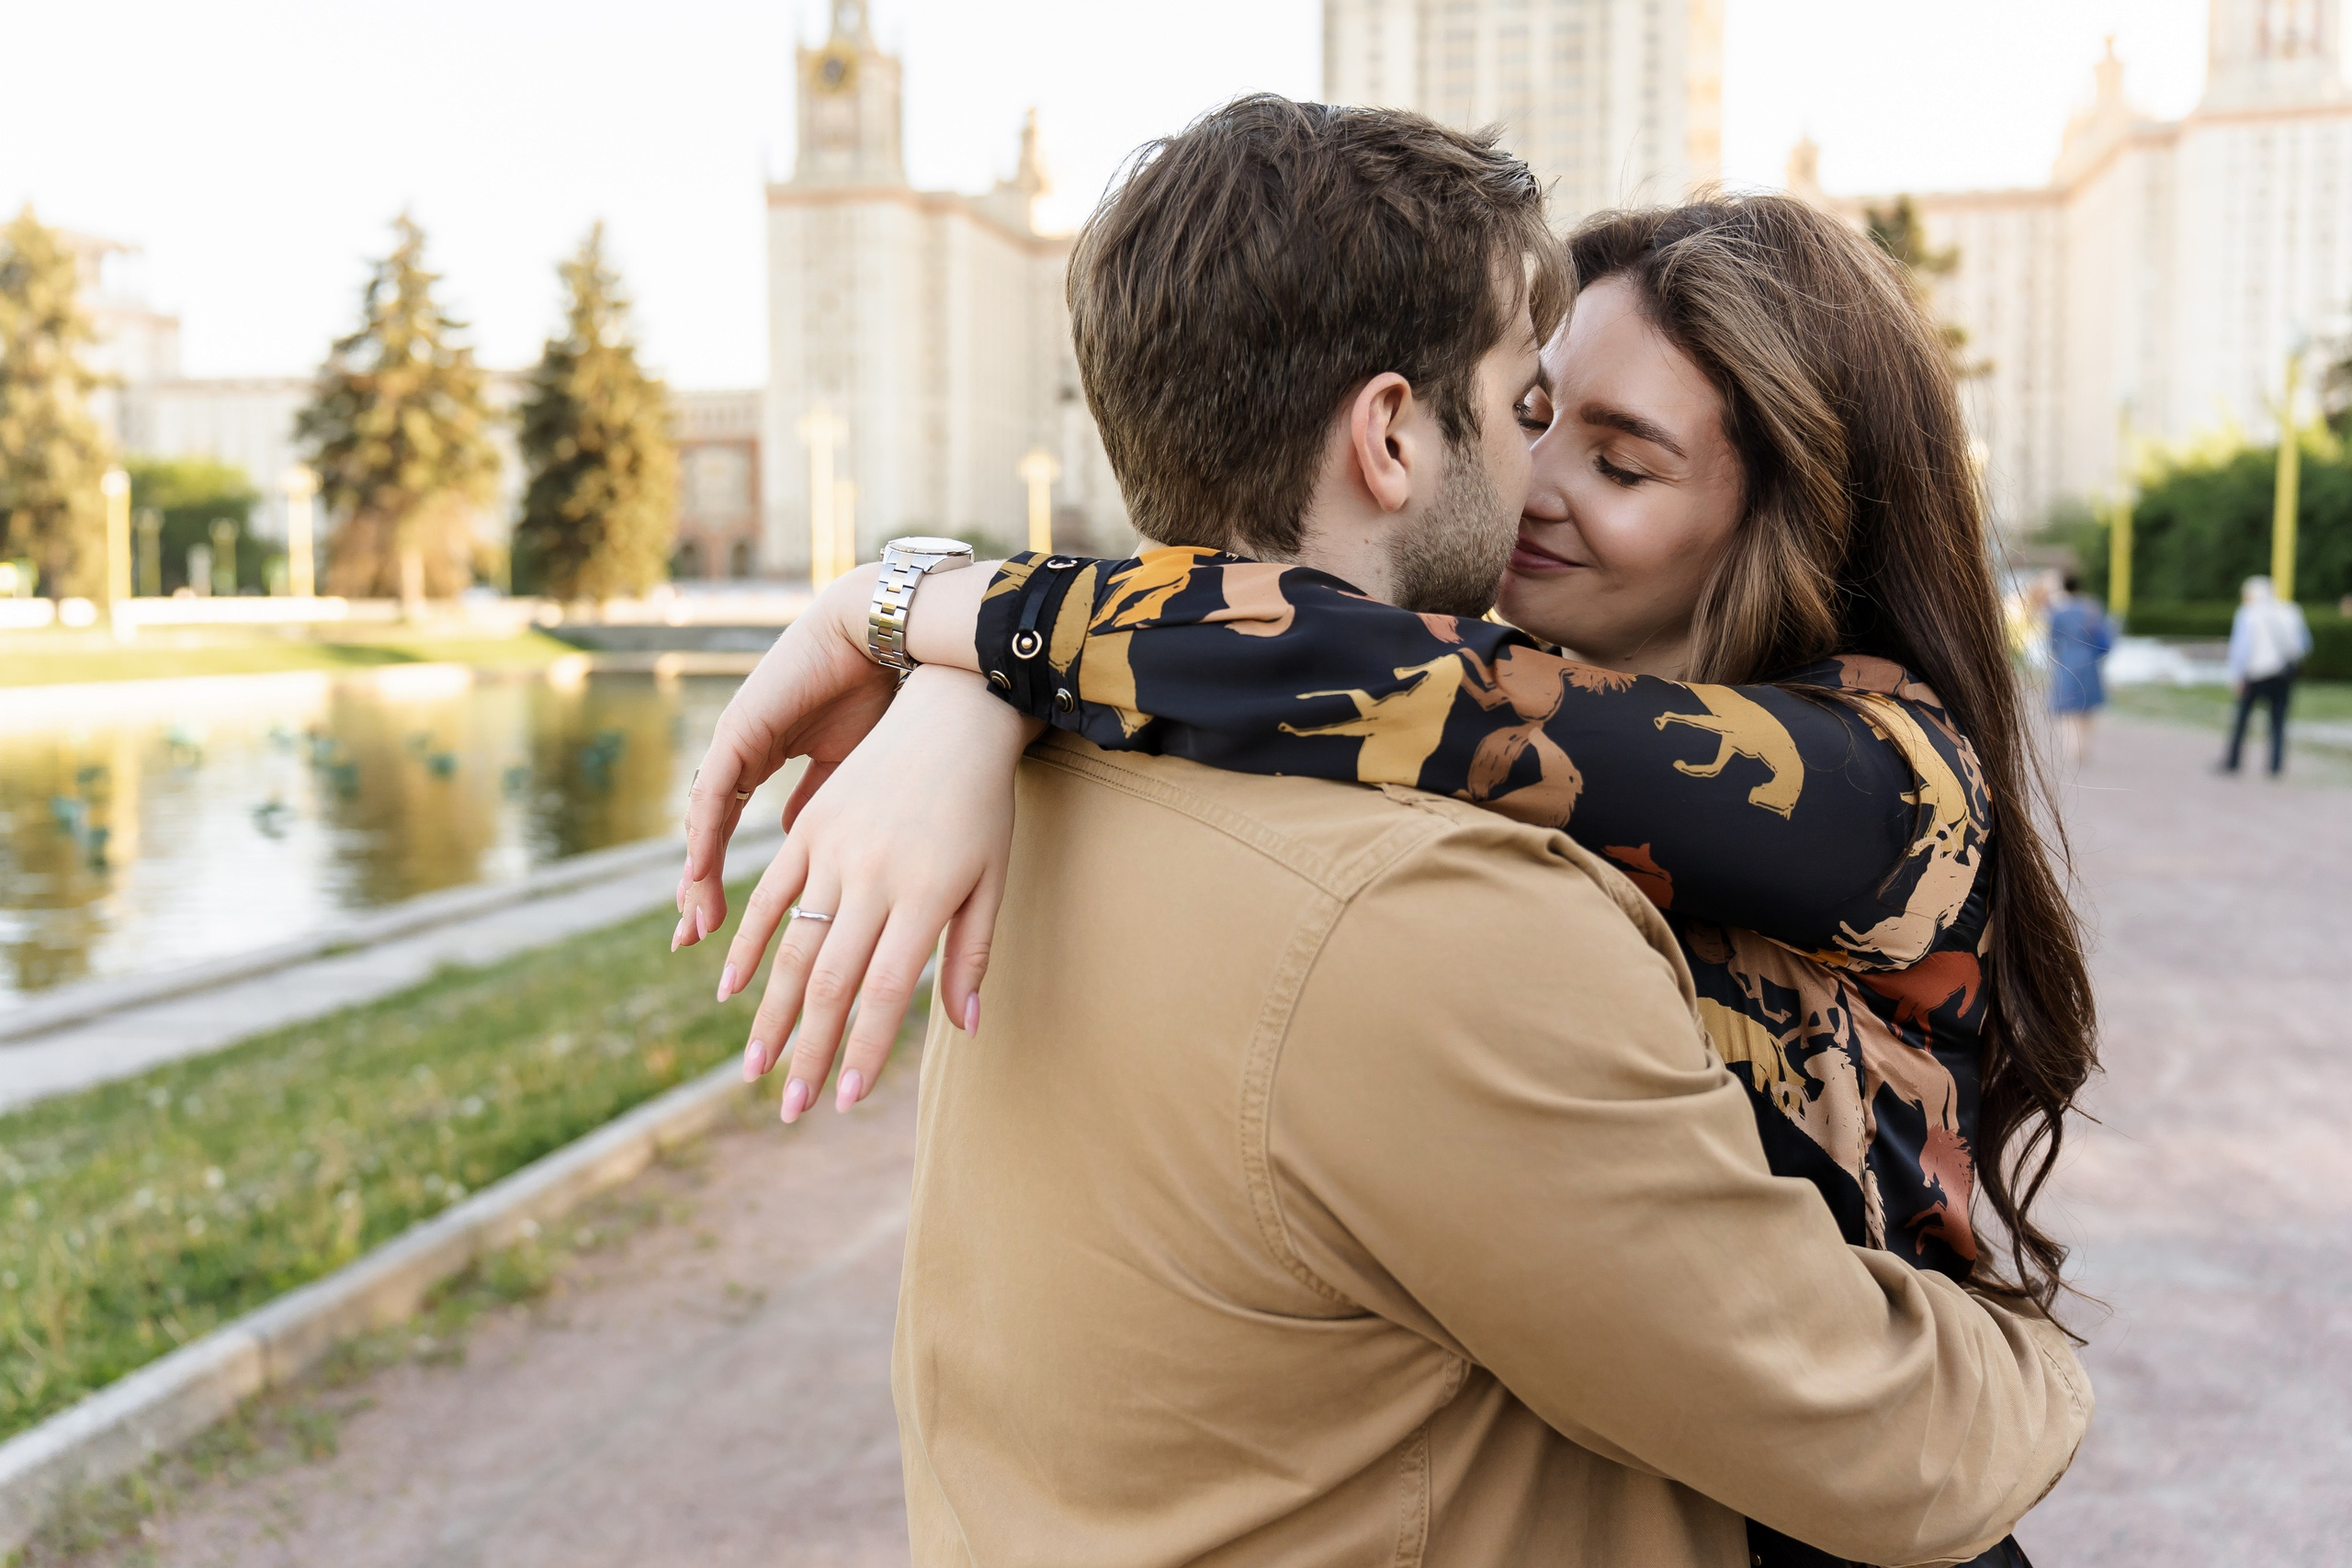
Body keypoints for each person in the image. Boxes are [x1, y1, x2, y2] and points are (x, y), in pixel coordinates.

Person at [679, 103, 2091, 1564]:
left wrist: (930, 621)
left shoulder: (1883, 776)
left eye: (1620, 460)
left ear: (1785, 520)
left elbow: (1374, 676)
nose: (1536, 485)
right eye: (1533, 410)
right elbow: (1329, 662)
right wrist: (974, 692)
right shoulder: (1420, 859)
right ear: (1394, 431)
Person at [2222, 574, 2311, 776]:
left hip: (2255, 674)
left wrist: (2236, 676)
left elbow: (2241, 650)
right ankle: (2275, 766)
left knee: (2242, 720)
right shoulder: (2292, 611)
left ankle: (2233, 761)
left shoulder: (2248, 613)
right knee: (2278, 722)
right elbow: (2304, 644)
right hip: (2282, 675)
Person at [2044, 571, 2114, 765]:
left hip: (2067, 662)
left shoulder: (2057, 613)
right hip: (2090, 662)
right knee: (2088, 707)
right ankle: (2085, 746)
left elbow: (2053, 642)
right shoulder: (2092, 608)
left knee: (2068, 708)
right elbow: (2105, 638)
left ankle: (2073, 747)